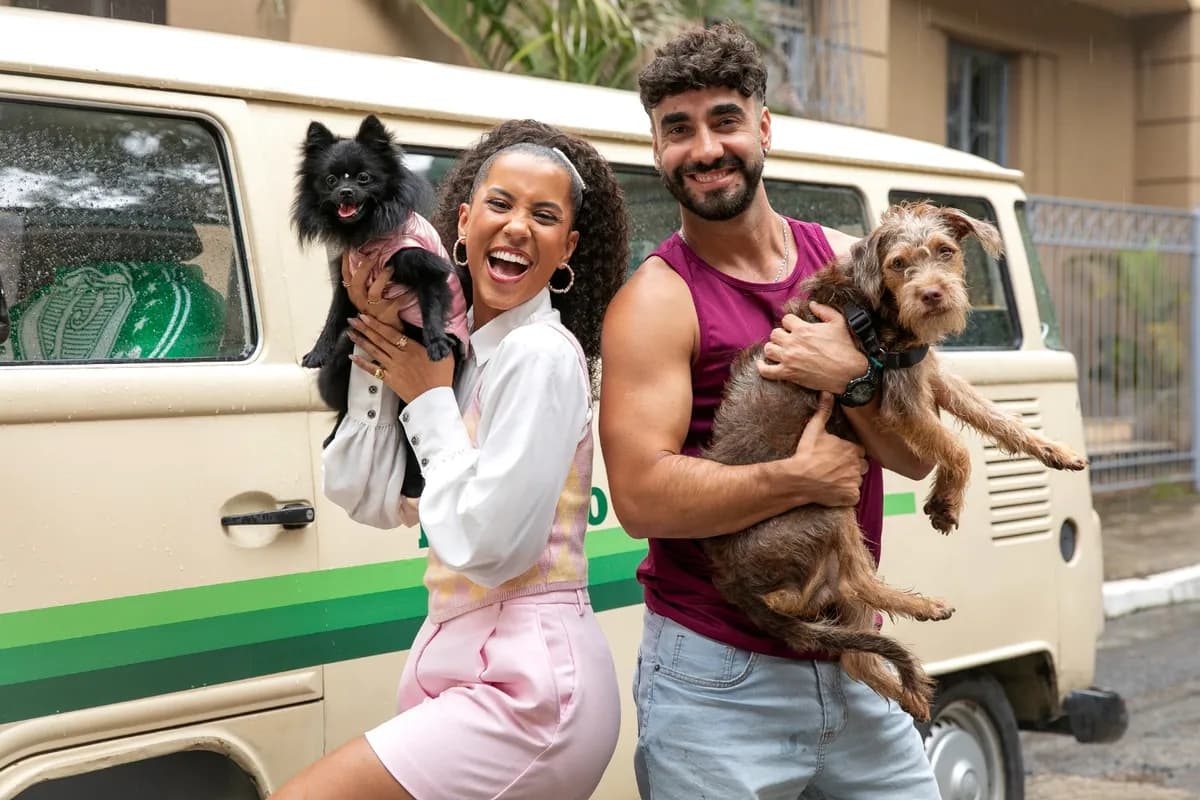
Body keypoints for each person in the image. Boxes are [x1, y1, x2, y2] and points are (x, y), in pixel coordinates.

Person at [599, 22, 944, 800]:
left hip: (857, 660)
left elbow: (919, 458)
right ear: (657, 150)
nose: (704, 148)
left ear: (763, 127)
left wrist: (855, 379)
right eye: (677, 130)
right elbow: (642, 498)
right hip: (718, 682)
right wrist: (797, 477)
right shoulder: (656, 302)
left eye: (723, 119)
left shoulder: (851, 262)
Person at [273, 119, 629, 800]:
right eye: (500, 204)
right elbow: (366, 497)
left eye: (544, 215)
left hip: (528, 691)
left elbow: (492, 548)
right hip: (461, 664)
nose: (518, 226)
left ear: (568, 247)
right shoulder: (463, 355)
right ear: (462, 223)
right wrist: (381, 346)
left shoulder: (541, 356)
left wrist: (430, 399)